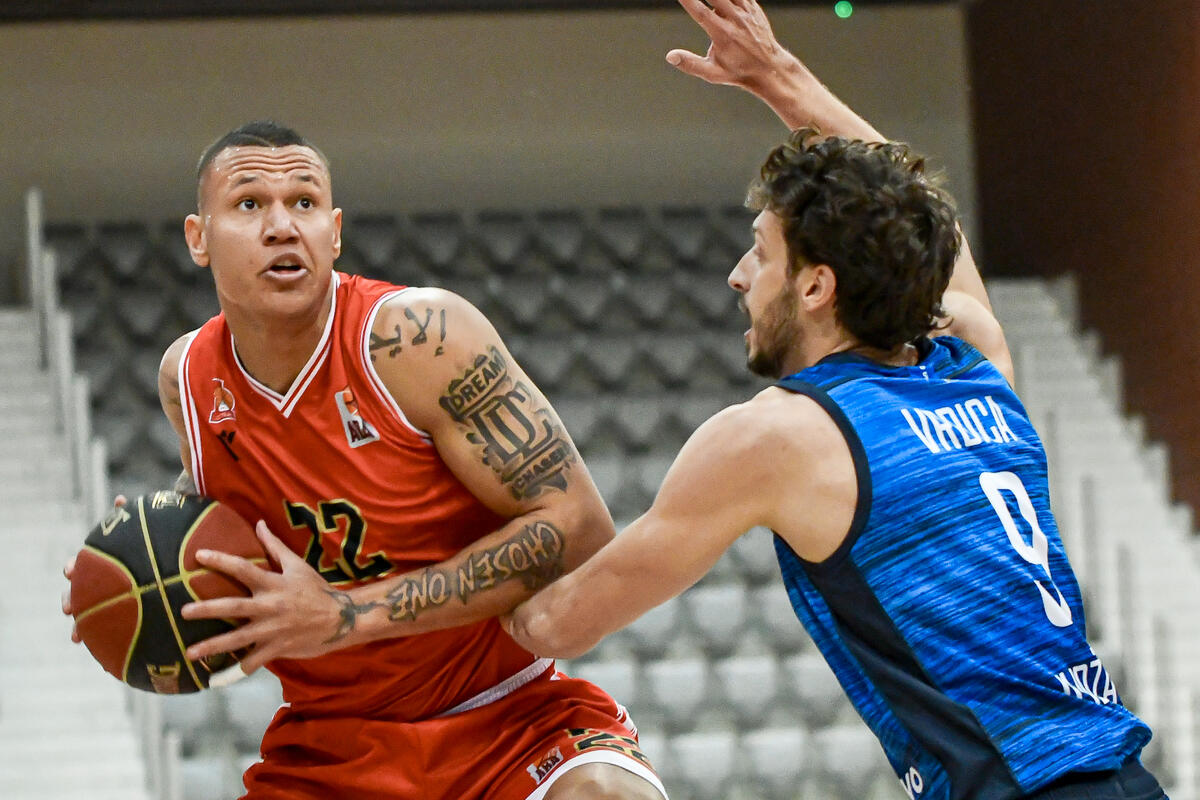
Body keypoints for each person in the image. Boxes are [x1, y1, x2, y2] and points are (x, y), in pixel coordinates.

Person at [505, 1, 1166, 798]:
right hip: (1122, 776)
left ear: (817, 286)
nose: (738, 277)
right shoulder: (976, 363)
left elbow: (558, 624)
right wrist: (775, 75)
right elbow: (921, 218)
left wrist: (428, 575)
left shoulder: (783, 435)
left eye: (760, 253)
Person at [61, 121, 667, 800]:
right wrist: (141, 563)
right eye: (250, 204)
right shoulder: (189, 379)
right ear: (198, 239)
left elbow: (581, 530)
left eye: (304, 202)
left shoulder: (419, 339)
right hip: (328, 747)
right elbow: (232, 511)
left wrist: (344, 615)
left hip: (506, 715)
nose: (282, 227)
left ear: (335, 232)